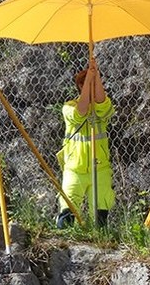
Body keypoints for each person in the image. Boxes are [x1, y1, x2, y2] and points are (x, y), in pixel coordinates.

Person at [55, 58, 115, 228]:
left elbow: (103, 105)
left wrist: (95, 78)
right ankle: (65, 244)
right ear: (80, 87)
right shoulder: (69, 107)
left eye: (94, 84)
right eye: (85, 85)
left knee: (100, 215)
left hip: (100, 167)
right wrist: (88, 79)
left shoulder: (102, 106)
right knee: (67, 212)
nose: (89, 87)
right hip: (75, 169)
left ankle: (99, 241)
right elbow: (79, 113)